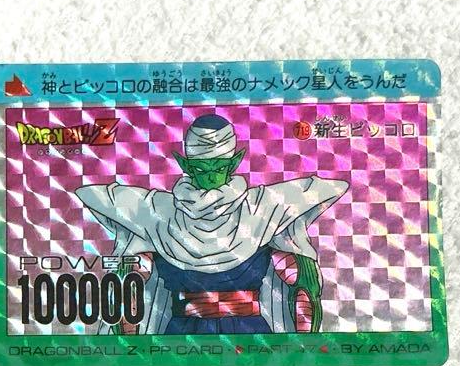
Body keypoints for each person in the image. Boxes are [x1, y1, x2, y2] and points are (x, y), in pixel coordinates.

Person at [75, 113, 348, 334]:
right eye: (201, 169)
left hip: (247, 330)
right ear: (186, 166)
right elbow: (92, 194)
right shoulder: (161, 210)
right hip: (184, 330)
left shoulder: (259, 206)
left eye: (219, 168)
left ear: (234, 163)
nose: (210, 178)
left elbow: (330, 188)